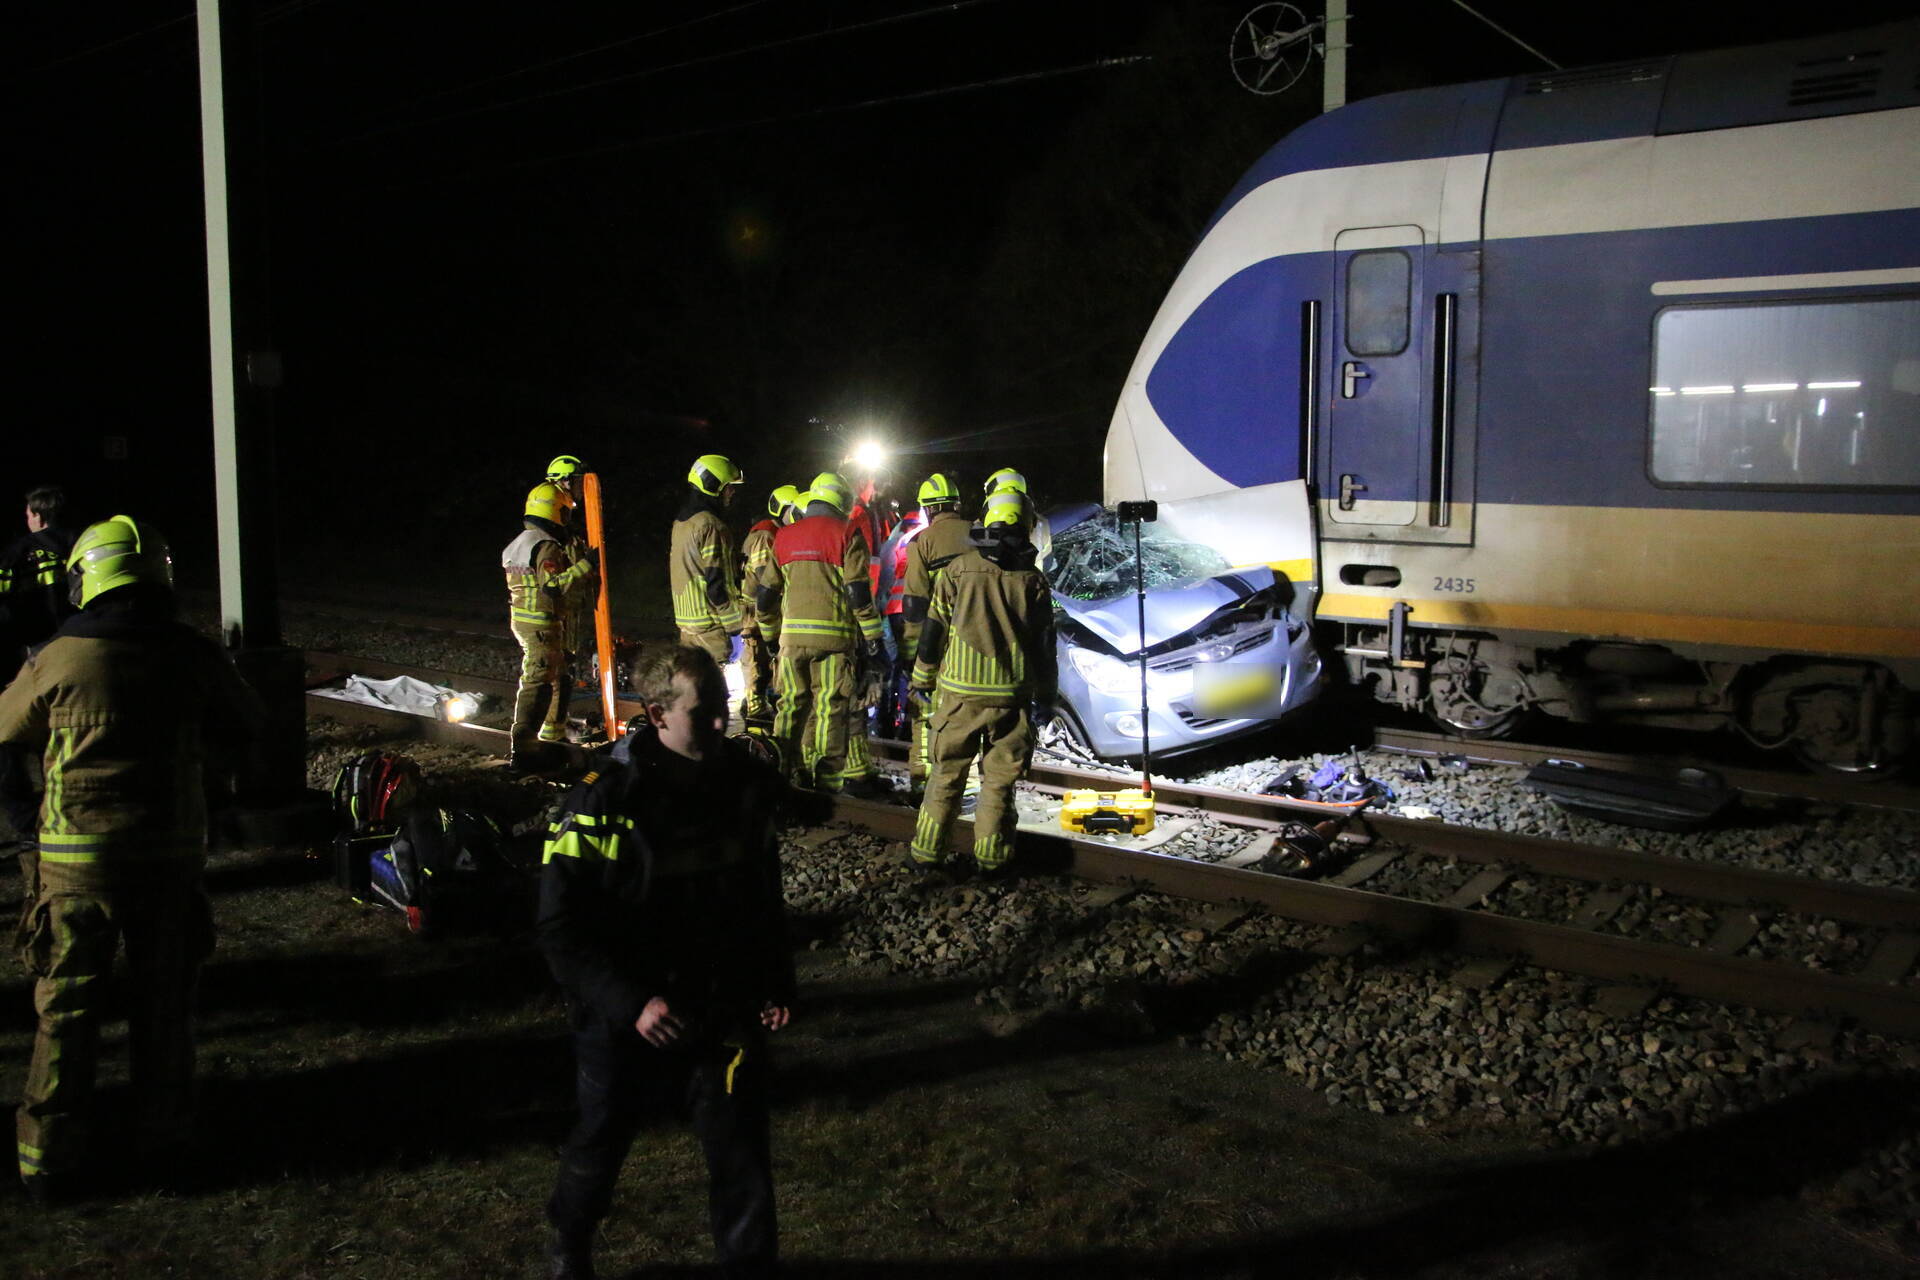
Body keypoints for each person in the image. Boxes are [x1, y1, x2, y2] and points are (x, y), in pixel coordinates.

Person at [1, 516, 263, 1204]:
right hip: (168, 863)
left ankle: (48, 1162)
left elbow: (5, 726)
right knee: (165, 1008)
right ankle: (166, 1141)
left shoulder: (59, 657)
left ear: (87, 576)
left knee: (66, 1014)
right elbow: (248, 723)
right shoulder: (192, 653)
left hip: (74, 869)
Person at [538, 645, 797, 1280]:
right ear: (656, 714)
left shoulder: (740, 783)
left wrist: (772, 981)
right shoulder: (604, 801)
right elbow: (559, 926)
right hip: (629, 1013)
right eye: (703, 713)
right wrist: (632, 1004)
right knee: (601, 1141)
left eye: (724, 710)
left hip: (720, 1000)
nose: (720, 726)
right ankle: (569, 1241)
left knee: (741, 1156)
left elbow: (760, 892)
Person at [907, 492, 1056, 875]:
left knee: (946, 775)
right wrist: (1046, 696)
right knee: (998, 783)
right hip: (1011, 696)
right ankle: (992, 860)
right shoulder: (1032, 580)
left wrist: (922, 679)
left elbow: (932, 632)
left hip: (959, 696)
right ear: (1025, 528)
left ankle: (926, 855)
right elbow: (1044, 647)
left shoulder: (957, 571)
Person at [754, 472, 885, 794]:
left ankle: (782, 778)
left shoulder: (783, 536)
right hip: (834, 645)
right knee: (830, 711)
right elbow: (858, 595)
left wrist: (771, 638)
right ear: (842, 502)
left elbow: (766, 596)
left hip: (791, 644)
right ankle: (824, 787)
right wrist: (874, 639)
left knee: (789, 710)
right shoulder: (847, 533)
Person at [504, 457, 599, 772]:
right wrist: (587, 566)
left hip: (530, 622)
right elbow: (553, 586)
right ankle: (524, 752)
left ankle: (551, 738)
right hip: (543, 624)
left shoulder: (520, 542)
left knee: (556, 679)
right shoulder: (546, 546)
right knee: (538, 684)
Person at [0, 485, 80, 845]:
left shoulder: (17, 553)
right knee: (66, 735)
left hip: (31, 655)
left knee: (14, 739)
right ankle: (65, 810)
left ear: (36, 514)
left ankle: (28, 823)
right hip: (78, 647)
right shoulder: (81, 544)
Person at [898, 473, 973, 800]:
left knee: (925, 710)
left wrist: (912, 654)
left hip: (937, 642)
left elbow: (915, 603)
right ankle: (967, 789)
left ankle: (923, 784)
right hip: (975, 642)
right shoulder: (979, 533)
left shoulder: (923, 543)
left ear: (928, 510)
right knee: (969, 714)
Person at [669, 455, 746, 671]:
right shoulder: (711, 525)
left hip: (688, 628)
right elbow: (715, 583)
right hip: (712, 631)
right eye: (729, 487)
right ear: (713, 486)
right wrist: (734, 630)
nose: (732, 493)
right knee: (722, 698)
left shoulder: (682, 523)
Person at [736, 484, 797, 727]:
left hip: (764, 613)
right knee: (757, 669)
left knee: (765, 666)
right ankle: (756, 718)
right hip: (754, 615)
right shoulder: (764, 536)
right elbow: (767, 580)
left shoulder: (770, 534)